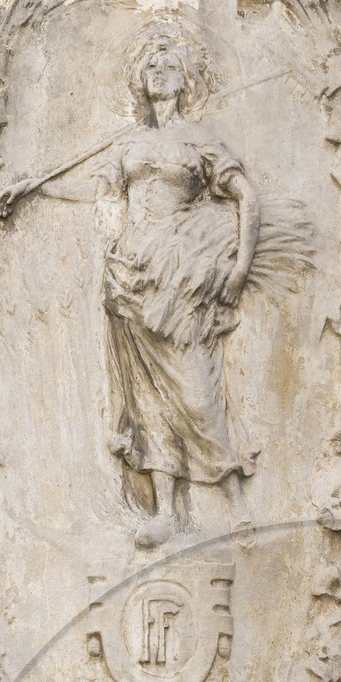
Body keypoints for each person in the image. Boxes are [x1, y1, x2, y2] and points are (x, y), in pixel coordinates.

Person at [99, 32, 261, 547]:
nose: (158, 69)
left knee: (195, 386)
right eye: (150, 63)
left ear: (184, 79)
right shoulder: (126, 145)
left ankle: (233, 498)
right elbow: (94, 196)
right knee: (146, 396)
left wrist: (238, 266)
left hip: (181, 271)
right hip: (131, 272)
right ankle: (166, 510)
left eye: (168, 64)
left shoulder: (199, 140)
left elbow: (247, 197)